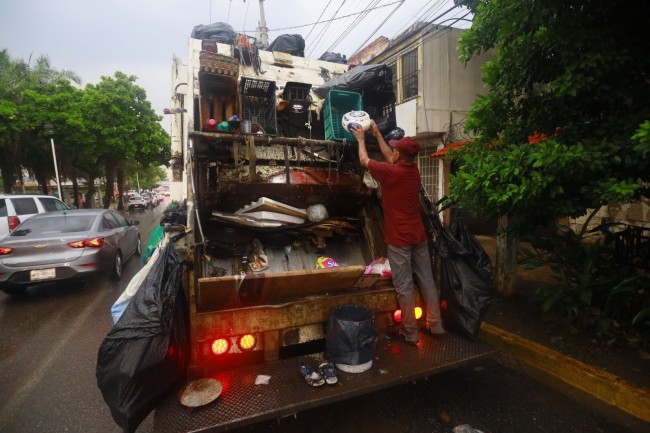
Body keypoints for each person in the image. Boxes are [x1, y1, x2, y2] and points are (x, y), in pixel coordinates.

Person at [351, 121, 445, 345]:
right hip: (418, 237)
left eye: (395, 150)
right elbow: (390, 155)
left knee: (405, 286)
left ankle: (410, 332)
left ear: (400, 155)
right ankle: (436, 324)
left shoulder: (391, 172)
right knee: (427, 281)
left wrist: (361, 139)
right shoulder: (413, 171)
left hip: (399, 240)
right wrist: (377, 133)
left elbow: (364, 161)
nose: (392, 151)